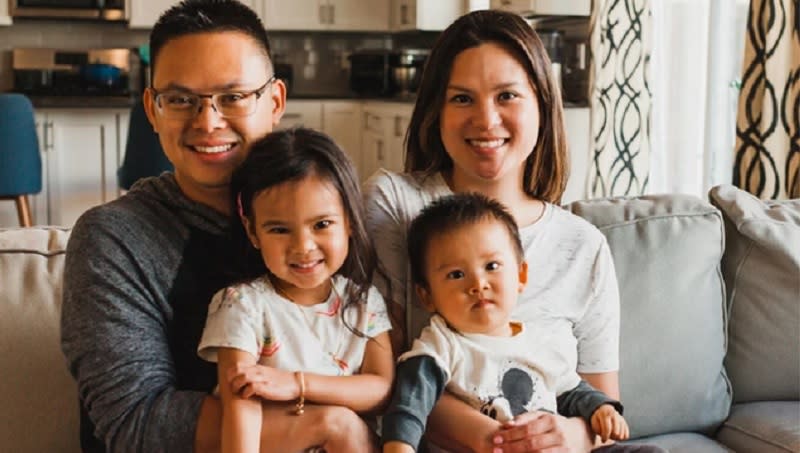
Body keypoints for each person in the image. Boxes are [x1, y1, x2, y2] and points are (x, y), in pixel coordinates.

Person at [61, 1, 375, 451]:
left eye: (232, 97)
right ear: (152, 109)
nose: (207, 122)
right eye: (181, 99)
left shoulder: (330, 226)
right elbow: (137, 422)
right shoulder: (114, 240)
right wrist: (332, 425)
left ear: (275, 102)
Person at [364, 9, 621, 453]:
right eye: (462, 98)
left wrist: (574, 435)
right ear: (436, 111)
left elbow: (604, 408)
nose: (486, 120)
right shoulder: (394, 206)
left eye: (507, 96)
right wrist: (497, 440)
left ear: (541, 101)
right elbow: (385, 382)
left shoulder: (584, 246)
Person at [380, 193, 630, 453]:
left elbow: (572, 391)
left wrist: (602, 409)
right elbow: (409, 402)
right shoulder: (441, 344)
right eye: (457, 274)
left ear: (521, 275)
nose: (478, 284)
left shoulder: (539, 341)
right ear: (427, 296)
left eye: (492, 266)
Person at [196, 127, 394, 452]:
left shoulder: (364, 302)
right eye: (279, 229)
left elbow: (380, 388)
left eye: (321, 225)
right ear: (253, 231)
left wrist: (296, 384)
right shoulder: (242, 305)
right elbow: (240, 407)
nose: (303, 247)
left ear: (350, 220)